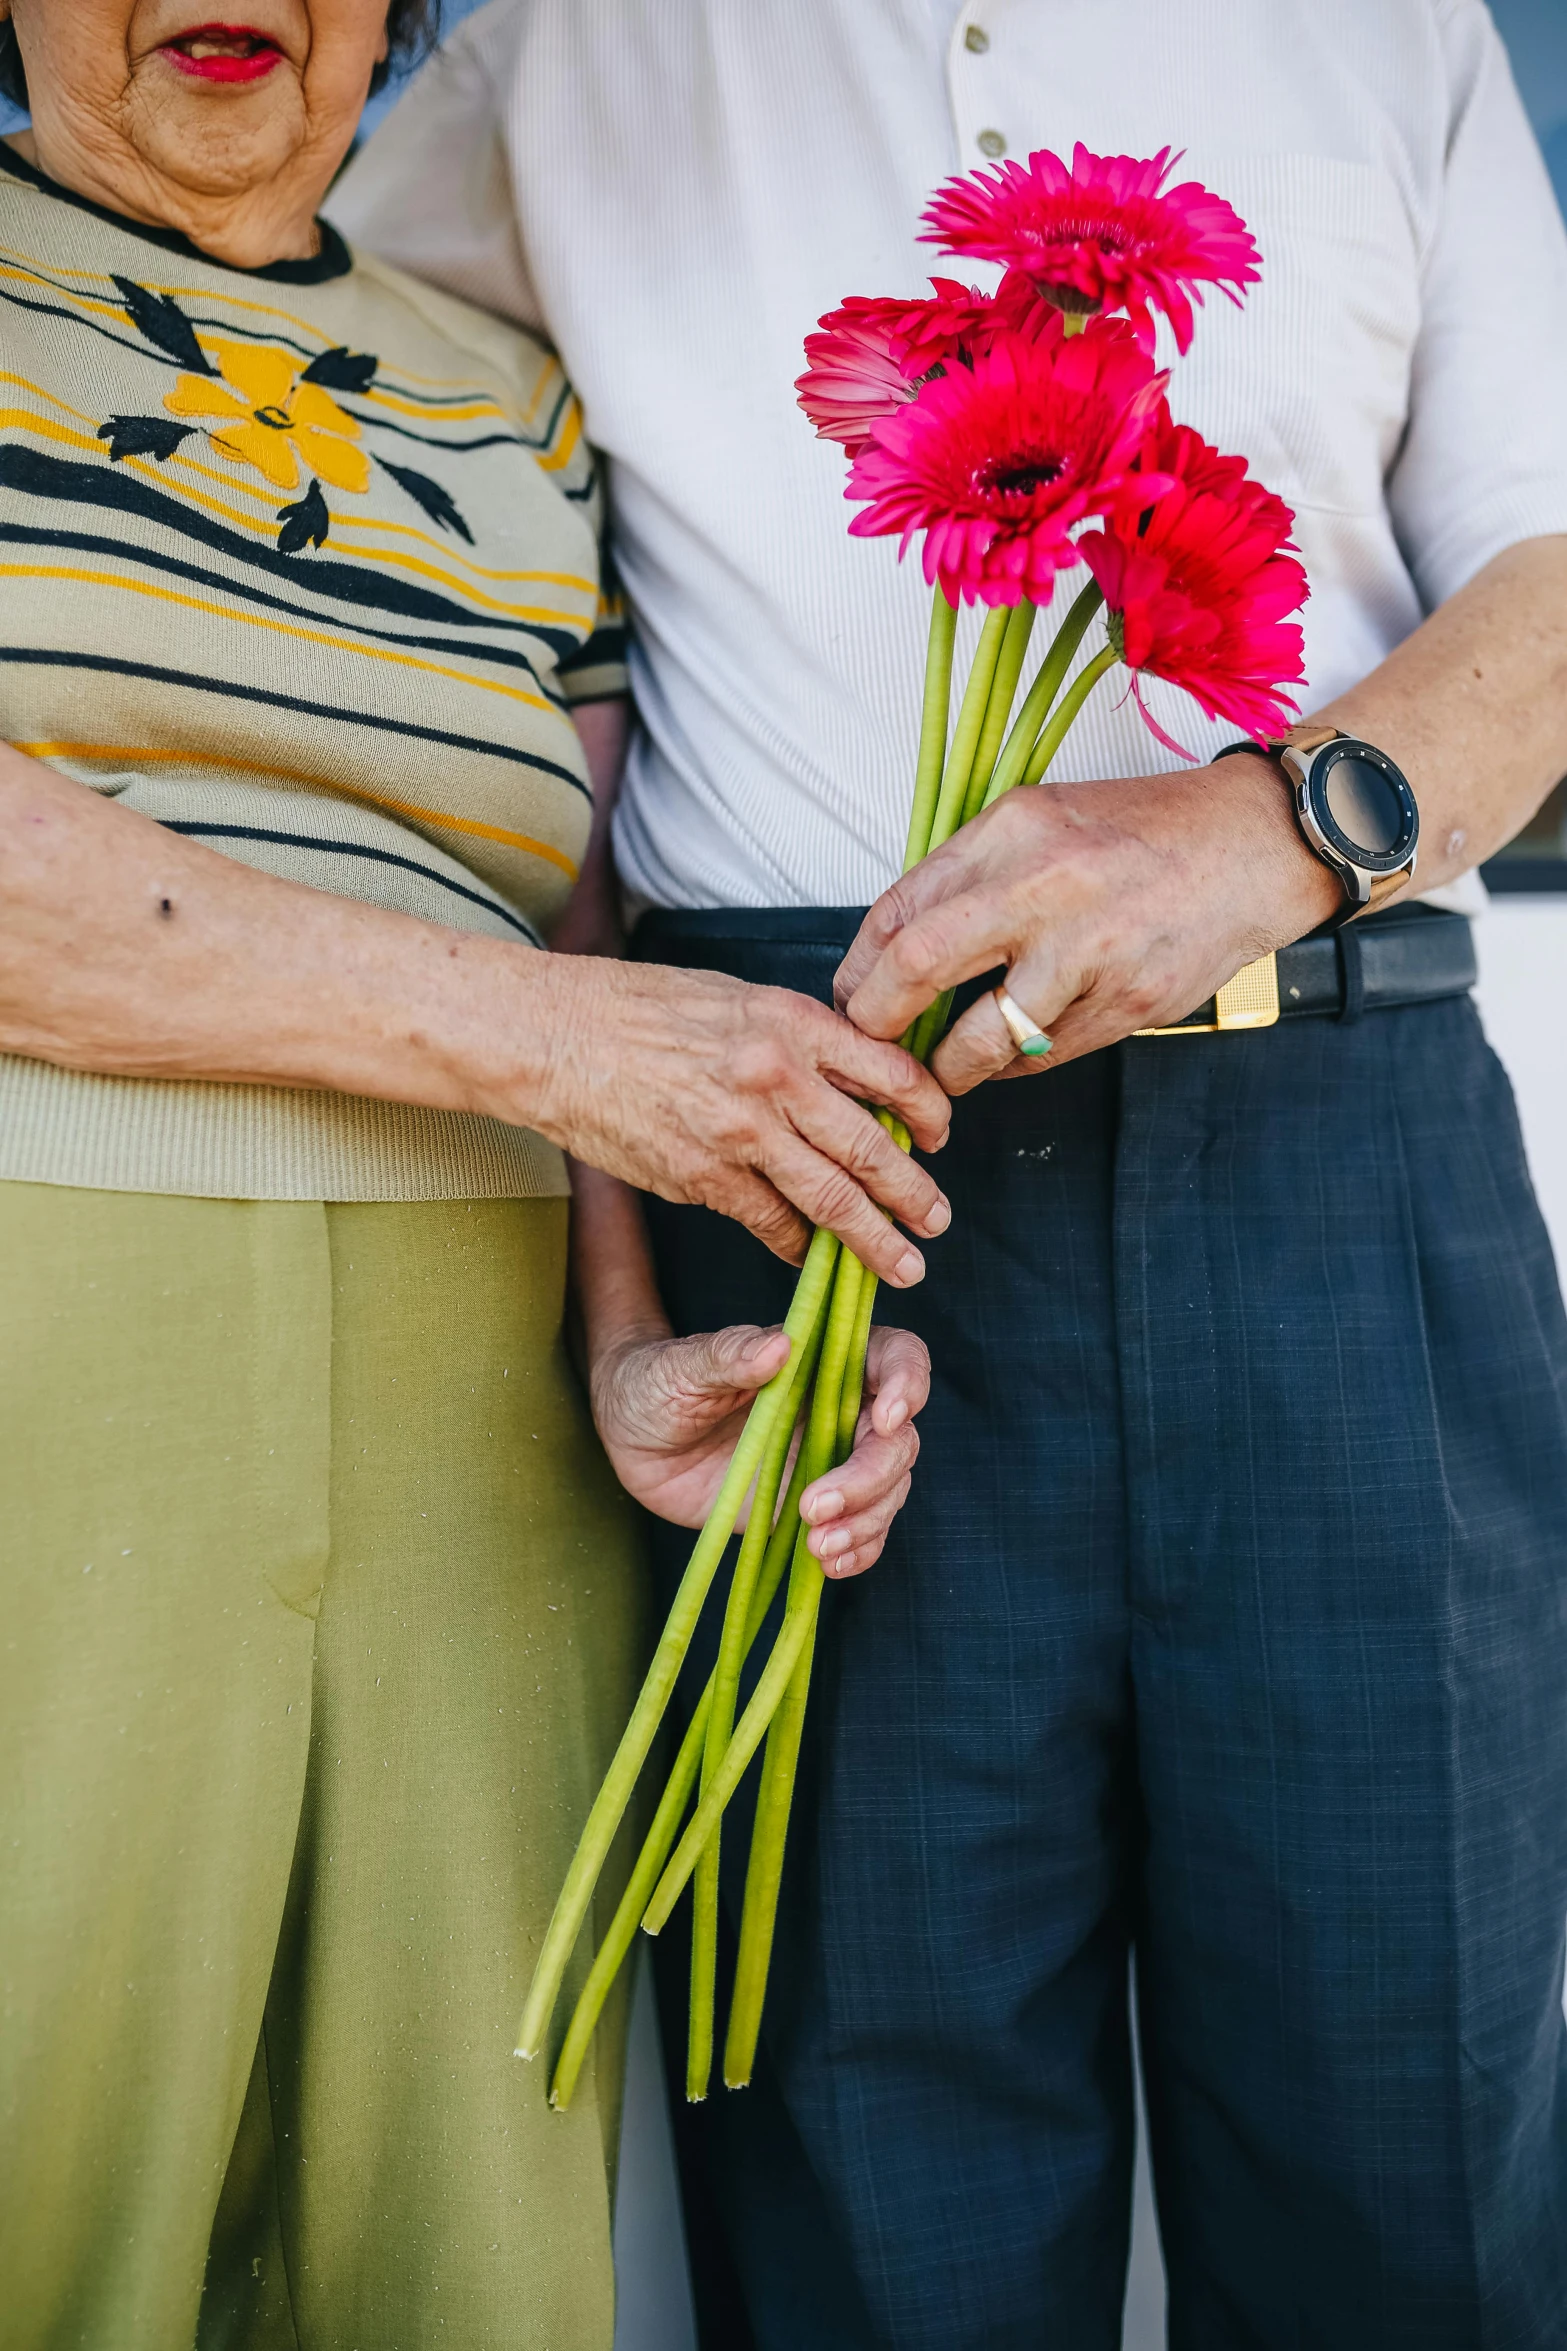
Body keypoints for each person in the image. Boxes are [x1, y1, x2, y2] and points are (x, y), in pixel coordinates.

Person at [335, 5, 1567, 2347]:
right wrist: (617, 1253)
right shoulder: (544, 67)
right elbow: (472, 665)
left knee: (1417, 2176)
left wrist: (1277, 822)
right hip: (807, 1206)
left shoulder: (1394, 28)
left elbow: (1560, 556)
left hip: (1349, 1185)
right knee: (868, 2209)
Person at [0, 5, 952, 2347]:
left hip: (483, 1457)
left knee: (453, 2257)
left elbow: (572, 913)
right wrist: (550, 1038)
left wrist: (628, 1353)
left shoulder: (506, 399)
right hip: (46, 1368)